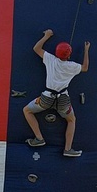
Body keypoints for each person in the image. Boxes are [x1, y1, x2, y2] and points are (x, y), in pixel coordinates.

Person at [23, 29, 90, 157]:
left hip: (47, 98)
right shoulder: (72, 66)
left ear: (56, 52)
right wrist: (86, 50)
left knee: (27, 110)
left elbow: (36, 48)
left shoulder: (50, 59)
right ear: (69, 55)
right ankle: (68, 149)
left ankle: (39, 138)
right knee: (71, 120)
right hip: (63, 100)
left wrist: (46, 36)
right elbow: (85, 67)